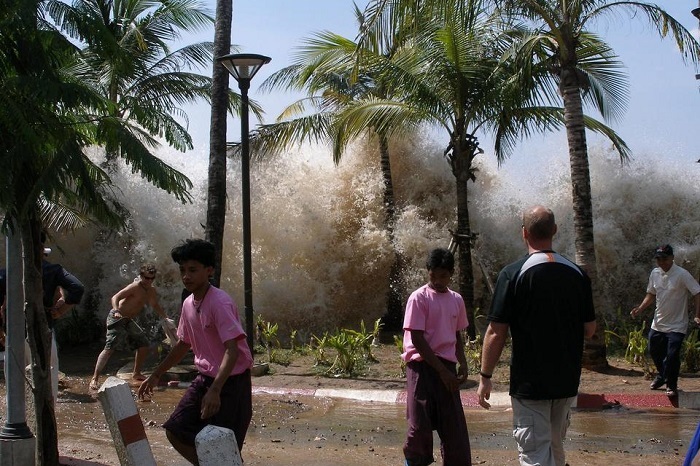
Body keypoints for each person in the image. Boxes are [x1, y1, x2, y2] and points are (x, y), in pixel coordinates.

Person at [477, 205, 596, 466]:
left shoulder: (513, 274)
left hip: (530, 383)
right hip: (565, 381)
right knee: (555, 447)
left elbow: (496, 332)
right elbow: (590, 329)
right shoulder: (577, 274)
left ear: (524, 233)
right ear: (554, 230)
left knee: (534, 455)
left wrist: (485, 376)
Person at [138, 239, 253, 464]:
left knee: (226, 447)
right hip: (204, 380)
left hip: (231, 384)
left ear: (209, 271)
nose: (186, 276)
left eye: (192, 270)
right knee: (176, 430)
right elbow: (183, 344)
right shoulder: (189, 303)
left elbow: (232, 351)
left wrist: (216, 390)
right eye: (182, 270)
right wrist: (156, 374)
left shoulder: (219, 303)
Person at [401, 247, 472, 466]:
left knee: (454, 429)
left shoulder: (456, 300)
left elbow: (457, 334)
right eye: (434, 275)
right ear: (428, 272)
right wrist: (441, 372)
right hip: (421, 367)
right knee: (419, 428)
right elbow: (418, 340)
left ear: (451, 274)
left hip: (447, 367)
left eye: (443, 276)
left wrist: (463, 363)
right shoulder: (418, 298)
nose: (438, 281)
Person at [630, 244, 700, 397]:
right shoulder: (655, 273)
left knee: (672, 355)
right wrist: (640, 308)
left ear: (672, 258)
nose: (661, 262)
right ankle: (662, 376)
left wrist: (697, 314)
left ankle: (671, 385)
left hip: (677, 324)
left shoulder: (682, 274)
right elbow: (651, 293)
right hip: (658, 322)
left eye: (664, 258)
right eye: (658, 259)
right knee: (654, 351)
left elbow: (697, 292)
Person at [89, 264, 168, 390]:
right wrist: (116, 310)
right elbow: (116, 297)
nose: (149, 281)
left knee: (143, 345)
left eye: (151, 278)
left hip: (130, 320)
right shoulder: (135, 286)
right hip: (118, 317)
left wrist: (165, 317)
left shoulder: (151, 290)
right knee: (109, 348)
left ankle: (136, 373)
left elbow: (154, 304)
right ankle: (95, 378)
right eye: (146, 278)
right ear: (141, 276)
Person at [40, 236, 85, 401]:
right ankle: (49, 402)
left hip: (15, 326)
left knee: (18, 368)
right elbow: (77, 288)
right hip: (43, 323)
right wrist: (61, 311)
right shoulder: (52, 271)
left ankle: (16, 407)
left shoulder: (10, 270)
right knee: (49, 365)